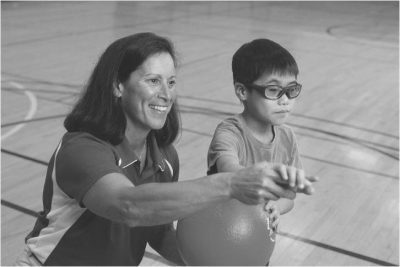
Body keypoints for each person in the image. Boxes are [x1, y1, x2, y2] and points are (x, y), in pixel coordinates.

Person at [15, 33, 316, 266]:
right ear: (118, 85)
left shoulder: (165, 159)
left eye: (171, 82)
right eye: (153, 81)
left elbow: (155, 228)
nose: (166, 94)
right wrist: (232, 183)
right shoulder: (82, 147)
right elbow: (128, 206)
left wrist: (208, 258)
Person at [207, 38, 316, 263]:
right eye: (274, 90)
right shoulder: (229, 132)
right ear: (242, 91)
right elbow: (229, 169)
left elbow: (289, 196)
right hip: (220, 240)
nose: (285, 100)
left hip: (257, 242)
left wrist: (276, 205)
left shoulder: (287, 137)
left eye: (291, 90)